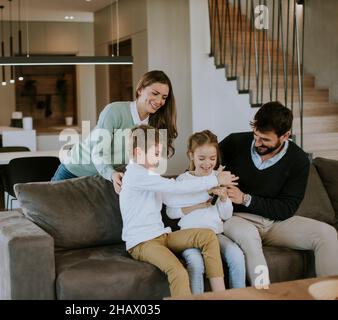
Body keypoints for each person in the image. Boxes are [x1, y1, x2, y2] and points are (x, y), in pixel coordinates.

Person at [220, 101, 338, 287]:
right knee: (250, 240)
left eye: (265, 140)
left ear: (285, 136)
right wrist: (216, 181)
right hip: (238, 218)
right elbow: (198, 167)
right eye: (256, 136)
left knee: (327, 233)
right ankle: (264, 295)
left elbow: (286, 209)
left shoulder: (298, 160)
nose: (257, 142)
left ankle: (331, 294)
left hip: (276, 223)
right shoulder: (235, 143)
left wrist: (245, 198)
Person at [120, 125, 239, 297]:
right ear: (138, 153)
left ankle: (220, 295)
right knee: (178, 272)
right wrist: (214, 179)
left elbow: (171, 198)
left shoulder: (151, 176)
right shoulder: (136, 175)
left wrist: (208, 192)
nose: (160, 159)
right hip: (142, 243)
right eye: (155, 154)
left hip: (161, 235)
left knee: (207, 236)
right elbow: (175, 188)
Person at [52, 70, 178, 194]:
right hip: (75, 170)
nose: (159, 101)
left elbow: (148, 162)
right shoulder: (114, 111)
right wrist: (111, 174)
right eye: (155, 93)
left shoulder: (155, 125)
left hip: (105, 177)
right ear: (140, 89)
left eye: (164, 97)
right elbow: (99, 151)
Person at [163, 130, 246, 294]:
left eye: (212, 159)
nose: (207, 163)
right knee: (195, 264)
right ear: (191, 155)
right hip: (190, 236)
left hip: (215, 234)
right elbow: (171, 213)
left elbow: (226, 215)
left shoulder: (219, 178)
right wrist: (199, 204)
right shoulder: (183, 181)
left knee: (236, 255)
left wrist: (223, 199)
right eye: (201, 158)